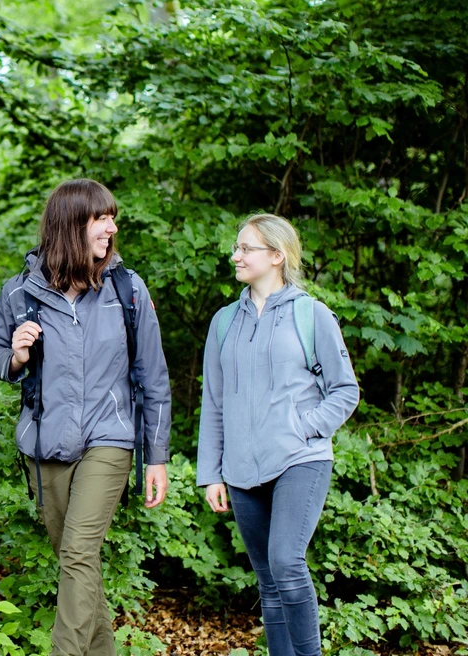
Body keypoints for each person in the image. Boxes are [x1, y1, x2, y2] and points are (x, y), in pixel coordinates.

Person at [0, 178, 172, 656]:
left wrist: (156, 458)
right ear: (71, 224)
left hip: (110, 438)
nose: (112, 227)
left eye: (112, 217)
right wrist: (17, 358)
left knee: (79, 553)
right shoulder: (19, 292)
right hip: (44, 443)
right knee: (76, 563)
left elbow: (154, 376)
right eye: (101, 218)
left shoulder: (127, 288)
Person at [197, 213, 360, 656]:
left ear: (276, 255)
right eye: (237, 247)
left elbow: (345, 390)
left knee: (287, 562)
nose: (236, 255)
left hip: (300, 460)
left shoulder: (312, 315)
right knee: (268, 579)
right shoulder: (223, 323)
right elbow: (213, 402)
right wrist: (211, 472)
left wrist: (303, 428)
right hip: (242, 470)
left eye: (246, 248)